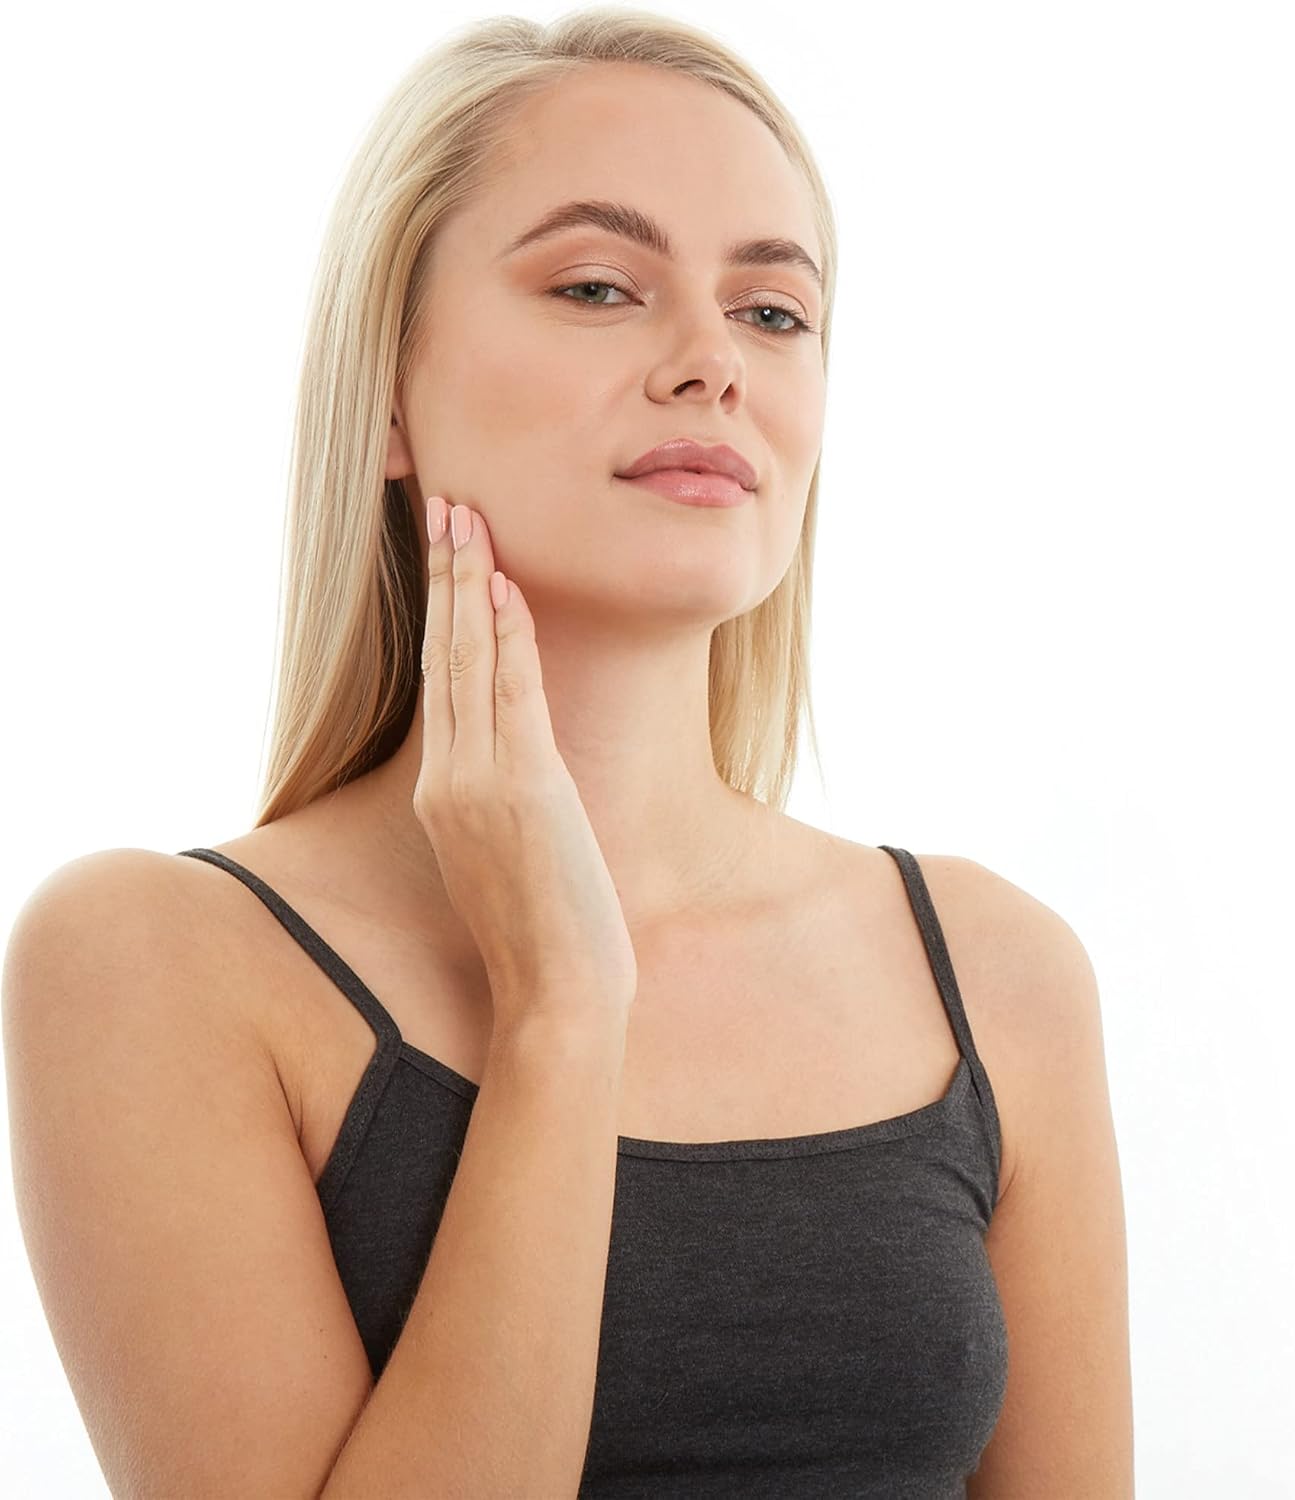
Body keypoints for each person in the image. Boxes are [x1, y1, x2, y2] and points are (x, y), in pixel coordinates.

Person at [3, 9, 1133, 1497]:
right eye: (599, 286)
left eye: (773, 312)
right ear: (386, 391)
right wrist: (559, 1010)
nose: (713, 364)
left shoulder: (997, 972)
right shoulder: (153, 960)